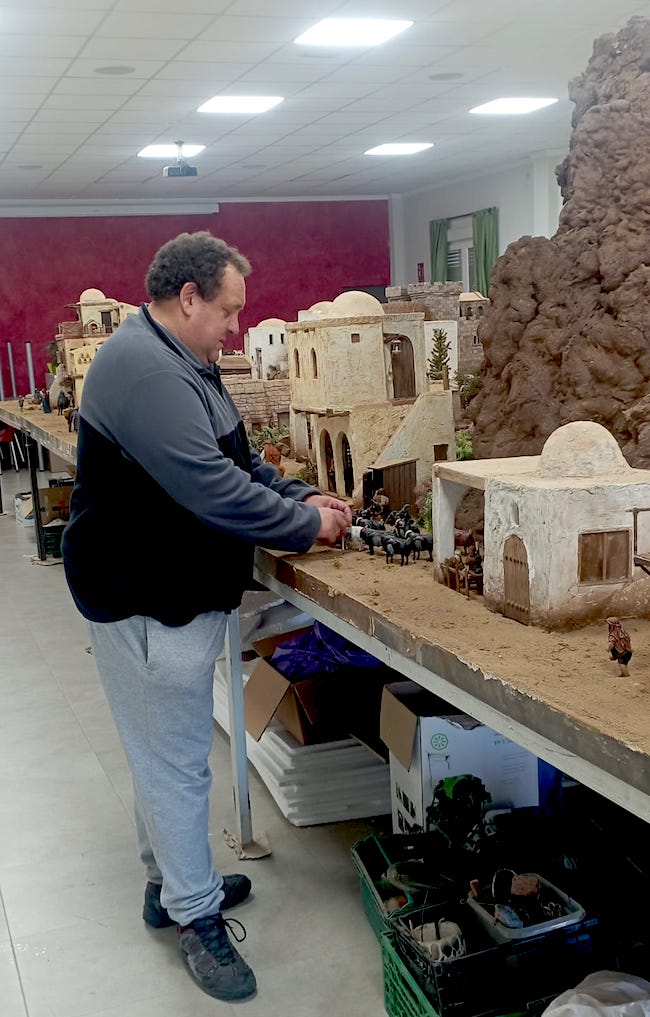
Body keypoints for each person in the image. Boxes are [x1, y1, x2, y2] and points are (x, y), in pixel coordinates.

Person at [61, 231, 351, 1003]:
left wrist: (300, 497)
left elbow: (238, 462)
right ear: (188, 298)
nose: (235, 326)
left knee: (159, 751)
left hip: (169, 587)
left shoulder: (186, 360)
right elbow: (210, 489)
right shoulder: (147, 371)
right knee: (176, 761)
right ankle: (196, 914)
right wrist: (305, 527)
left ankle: (168, 883)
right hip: (141, 594)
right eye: (228, 310)